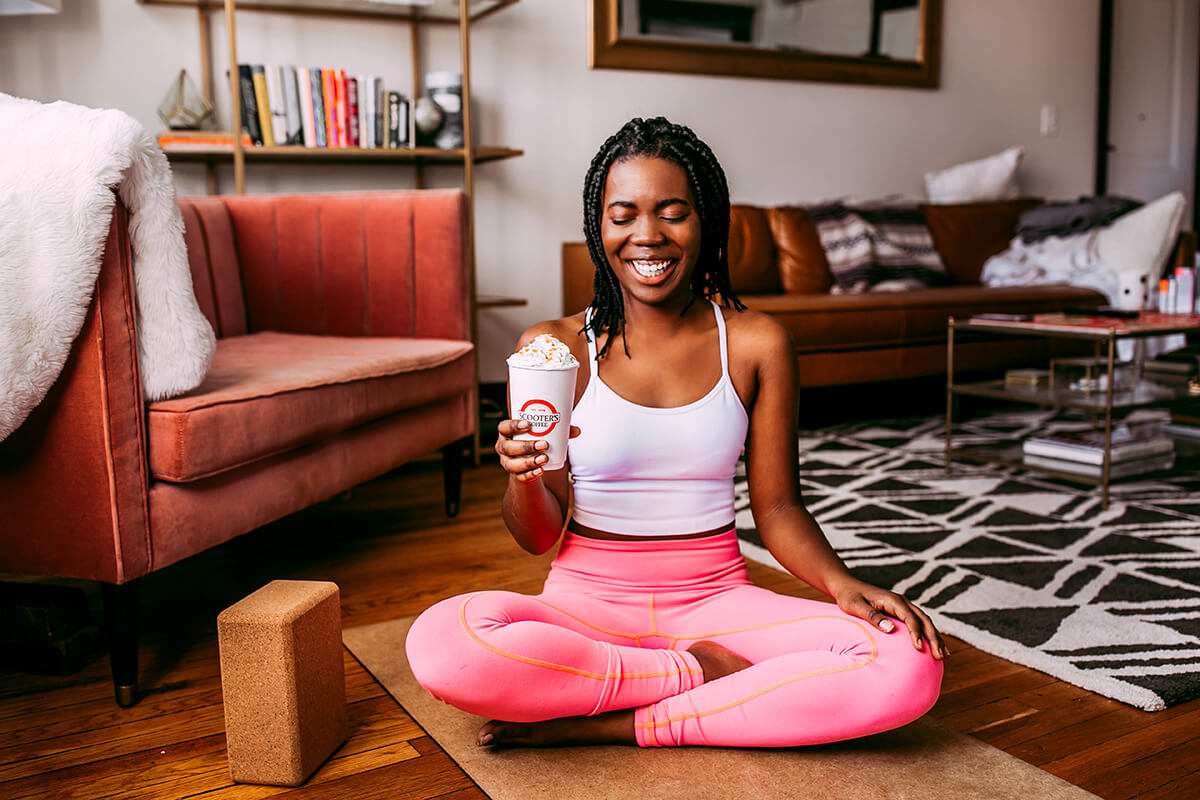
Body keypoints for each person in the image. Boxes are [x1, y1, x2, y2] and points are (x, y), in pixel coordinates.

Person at [406, 116, 947, 749]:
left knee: (909, 665)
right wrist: (523, 477)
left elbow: (777, 507)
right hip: (587, 604)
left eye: (672, 213)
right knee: (444, 643)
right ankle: (695, 675)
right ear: (597, 227)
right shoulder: (552, 350)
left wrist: (844, 584)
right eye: (623, 215)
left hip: (717, 600)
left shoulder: (756, 344)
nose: (647, 236)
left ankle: (621, 721)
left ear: (707, 223)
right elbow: (538, 536)